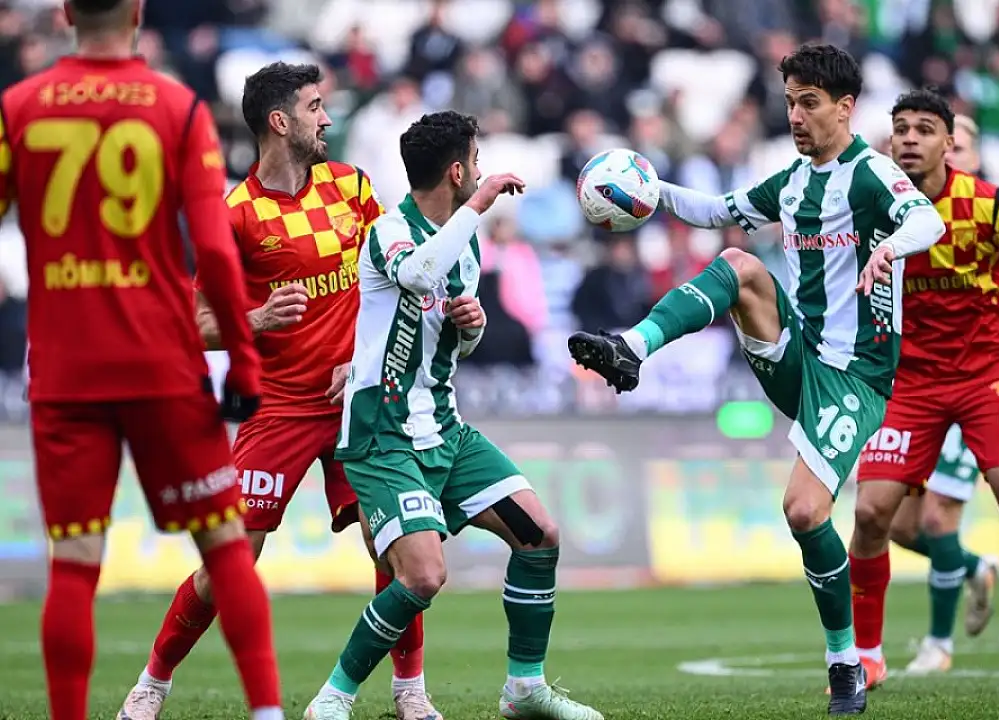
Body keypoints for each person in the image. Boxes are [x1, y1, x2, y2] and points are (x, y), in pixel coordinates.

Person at [567, 43, 946, 716]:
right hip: (800, 353)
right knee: (740, 263)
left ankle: (845, 662)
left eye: (809, 103)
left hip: (855, 376)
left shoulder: (871, 174)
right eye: (790, 102)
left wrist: (890, 246)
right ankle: (630, 348)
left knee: (803, 512)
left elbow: (928, 218)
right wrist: (650, 191)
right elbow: (717, 210)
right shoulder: (793, 182)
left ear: (845, 108)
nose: (795, 116)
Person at [118, 63, 437, 719]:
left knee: (395, 548)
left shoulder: (353, 187)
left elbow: (398, 278)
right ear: (279, 121)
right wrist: (255, 319)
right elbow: (193, 325)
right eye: (316, 107)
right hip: (279, 409)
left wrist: (377, 356)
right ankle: (152, 683)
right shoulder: (234, 215)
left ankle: (411, 691)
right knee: (231, 561)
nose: (327, 118)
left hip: (358, 403)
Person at [0, 1, 282, 719]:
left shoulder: (18, 108)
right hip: (162, 364)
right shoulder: (177, 107)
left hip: (65, 371)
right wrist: (243, 362)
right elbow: (214, 247)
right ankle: (267, 713)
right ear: (138, 10)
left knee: (73, 566)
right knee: (225, 547)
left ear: (65, 12)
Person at [302, 110, 604, 720]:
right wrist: (481, 206)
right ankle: (332, 699)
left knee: (539, 536)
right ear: (459, 172)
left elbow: (452, 344)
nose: (482, 173)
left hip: (445, 428)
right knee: (422, 577)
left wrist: (473, 325)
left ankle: (525, 690)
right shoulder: (388, 232)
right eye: (477, 162)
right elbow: (417, 274)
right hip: (383, 435)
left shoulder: (465, 243)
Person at [847, 88, 999, 689]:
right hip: (910, 383)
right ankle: (866, 656)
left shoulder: (990, 205)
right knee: (872, 513)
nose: (910, 139)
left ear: (948, 143)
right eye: (901, 129)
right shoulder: (871, 209)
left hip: (986, 376)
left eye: (924, 129)